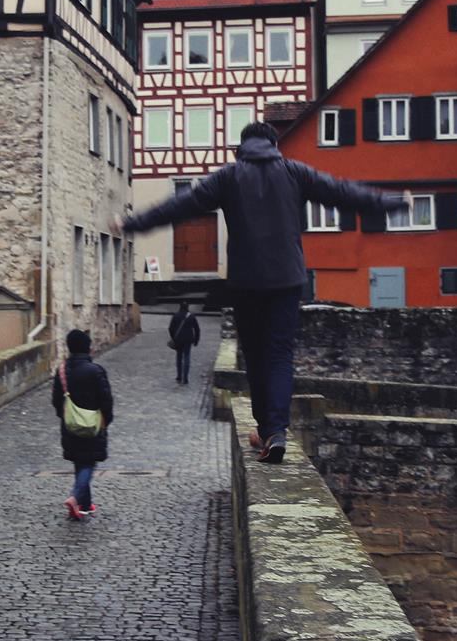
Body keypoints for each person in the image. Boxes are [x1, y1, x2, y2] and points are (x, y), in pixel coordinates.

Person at [123, 122, 399, 465]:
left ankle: (267, 430)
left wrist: (133, 223)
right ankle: (276, 431)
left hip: (247, 282)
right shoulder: (294, 172)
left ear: (242, 147)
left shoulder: (228, 177)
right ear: (274, 145)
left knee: (255, 357)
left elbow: (180, 206)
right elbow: (341, 192)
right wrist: (390, 203)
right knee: (280, 355)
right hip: (287, 280)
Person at [52, 329, 113, 520]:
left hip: (70, 424)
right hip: (92, 423)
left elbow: (56, 400)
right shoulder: (96, 371)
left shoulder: (62, 371)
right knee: (88, 463)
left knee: (80, 461)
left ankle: (85, 505)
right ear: (88, 347)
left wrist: (66, 418)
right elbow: (106, 400)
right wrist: (106, 420)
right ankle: (75, 497)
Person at [167, 305, 201, 385]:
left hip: (178, 339)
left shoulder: (176, 315)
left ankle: (179, 376)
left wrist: (173, 337)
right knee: (187, 357)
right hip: (188, 339)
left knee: (179, 357)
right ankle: (185, 378)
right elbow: (197, 329)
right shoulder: (191, 316)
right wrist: (196, 340)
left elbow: (170, 328)